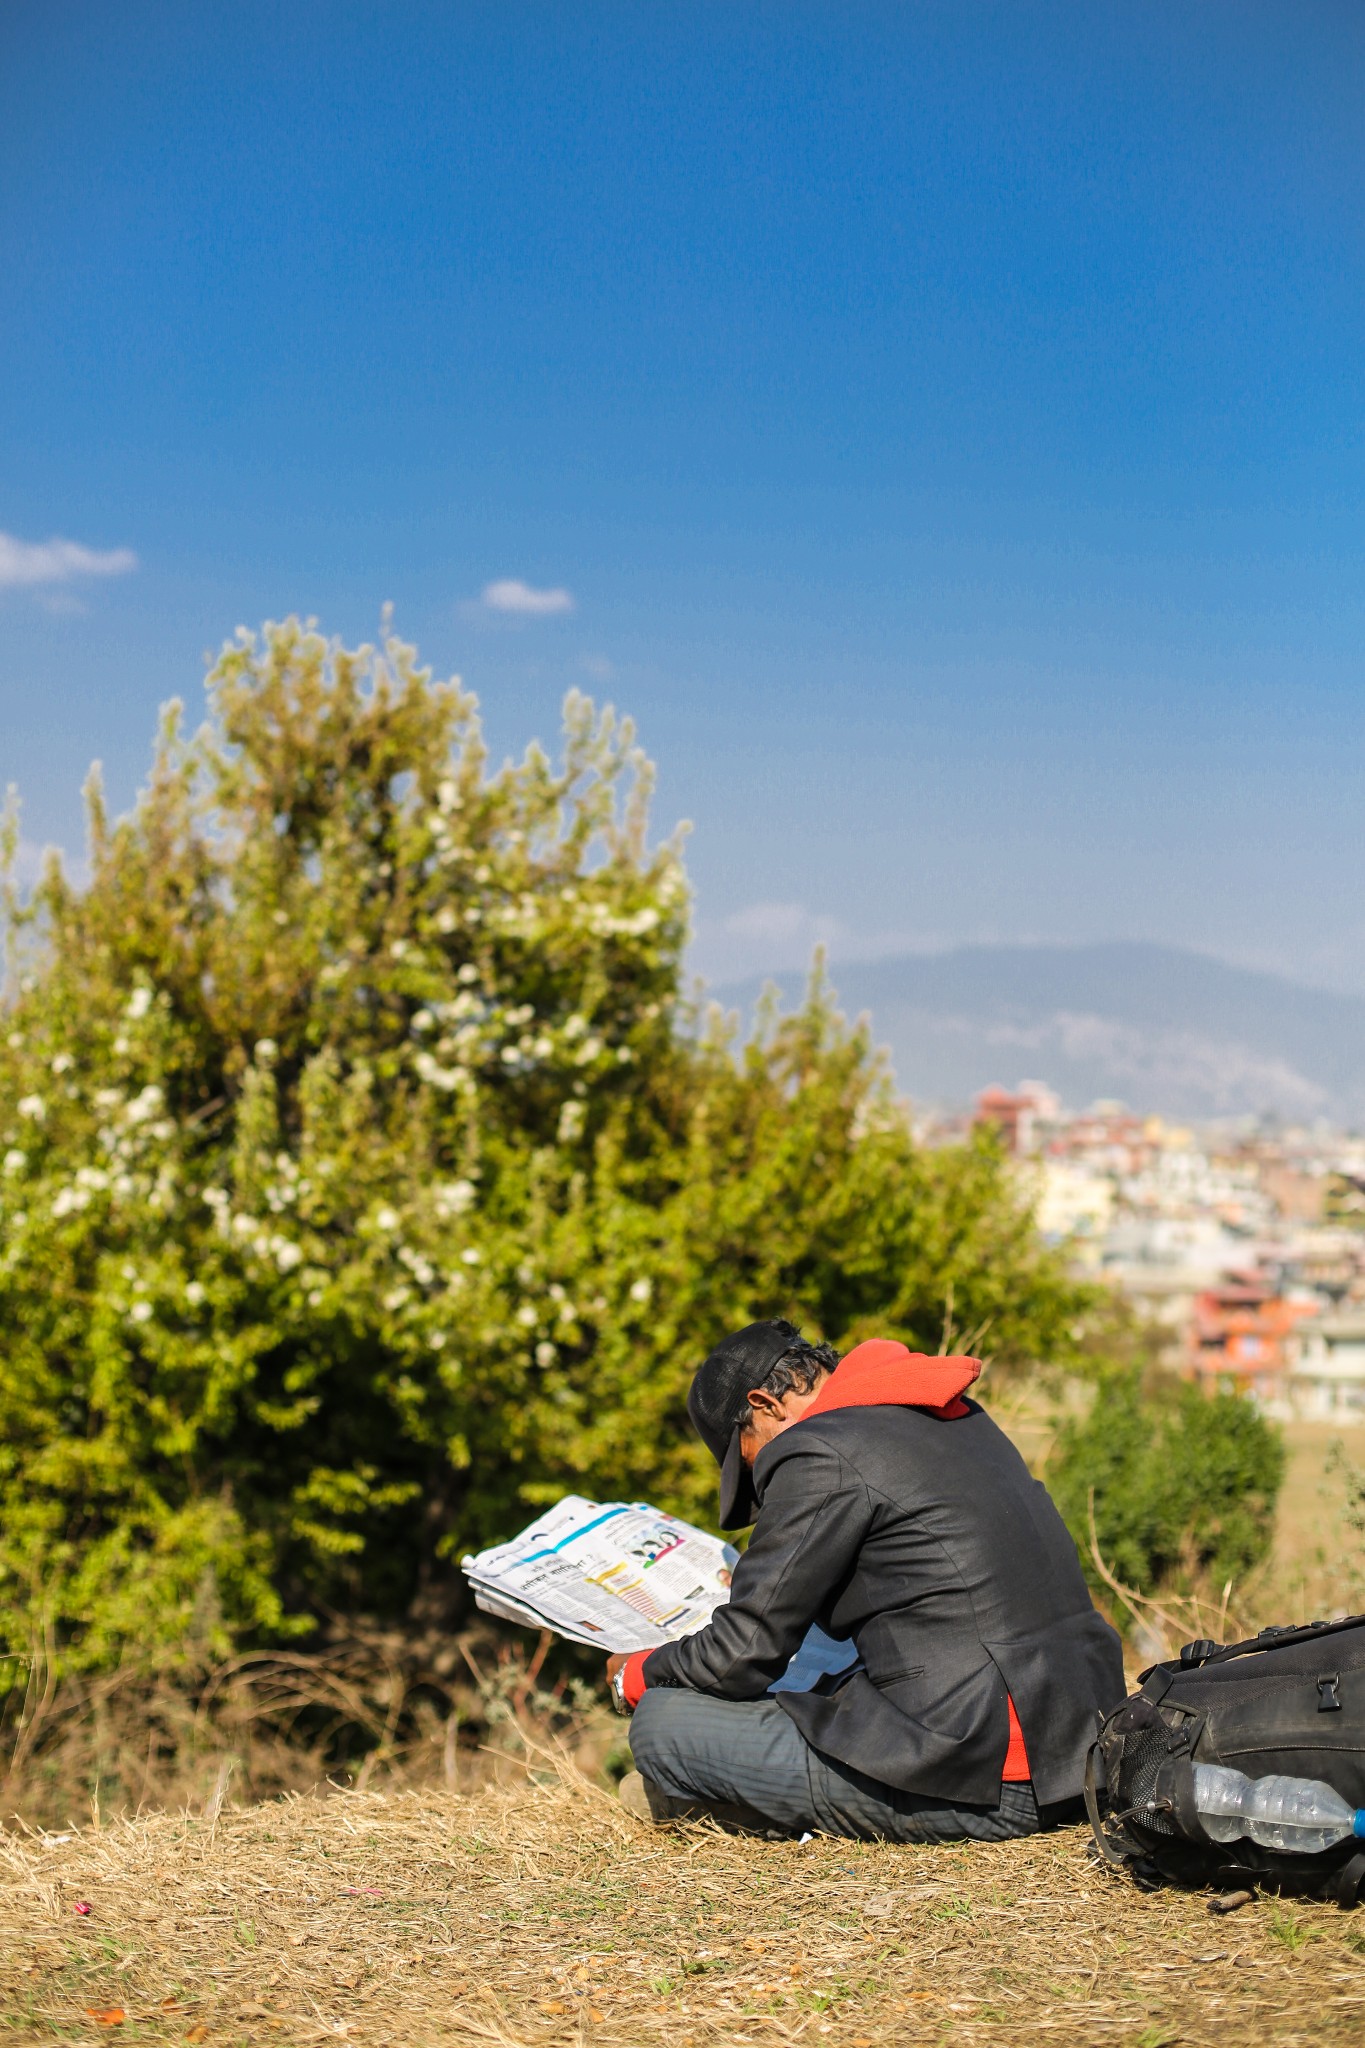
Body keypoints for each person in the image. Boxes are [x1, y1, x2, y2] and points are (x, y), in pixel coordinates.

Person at [607, 1319, 1125, 1842]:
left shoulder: (819, 1448)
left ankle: (745, 1805)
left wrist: (632, 1674)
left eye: (750, 1457)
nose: (763, 1485)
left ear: (765, 1405)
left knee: (662, 1723)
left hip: (992, 1775)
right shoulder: (948, 1411)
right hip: (1082, 1751)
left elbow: (743, 1654)